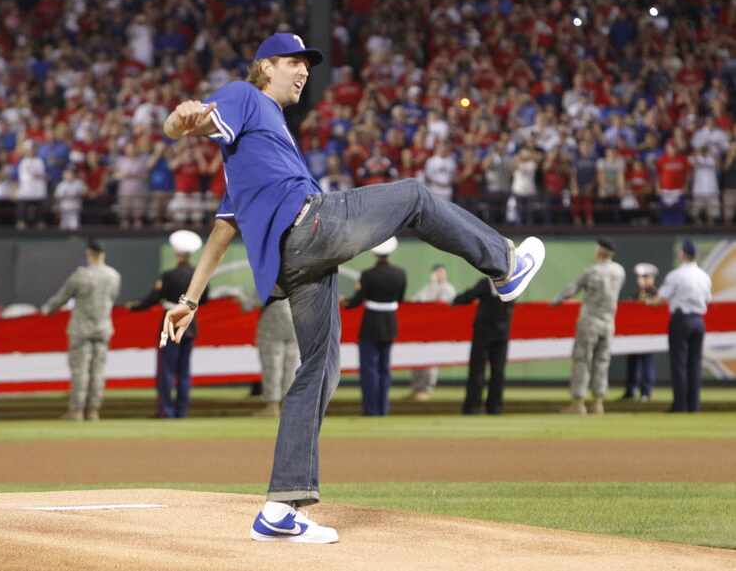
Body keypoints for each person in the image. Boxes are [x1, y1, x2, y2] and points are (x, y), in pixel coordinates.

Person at [160, 32, 545, 543]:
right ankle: (505, 264)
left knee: (319, 369)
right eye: (294, 62)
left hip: (291, 262)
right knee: (412, 195)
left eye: (307, 65)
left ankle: (280, 508)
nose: (304, 72)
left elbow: (222, 229)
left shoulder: (255, 149)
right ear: (265, 66)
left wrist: (190, 299)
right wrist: (178, 120)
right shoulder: (244, 96)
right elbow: (191, 123)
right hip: (310, 228)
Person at [129, 230, 207, 418]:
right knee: (184, 371)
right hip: (190, 324)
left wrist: (135, 307)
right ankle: (182, 411)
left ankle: (166, 410)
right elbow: (204, 299)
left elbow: (154, 298)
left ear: (177, 253)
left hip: (170, 324)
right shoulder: (198, 274)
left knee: (167, 370)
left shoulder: (169, 275)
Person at [41, 240, 121, 421]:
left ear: (89, 254)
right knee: (98, 371)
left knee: (80, 371)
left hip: (81, 329)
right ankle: (93, 411)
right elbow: (113, 298)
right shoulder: (114, 276)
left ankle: (76, 410)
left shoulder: (81, 275)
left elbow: (62, 297)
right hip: (103, 328)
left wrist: (46, 310)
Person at [553, 237, 625, 415]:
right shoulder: (619, 271)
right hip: (609, 322)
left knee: (582, 360)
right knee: (602, 361)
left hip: (590, 321)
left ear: (600, 252)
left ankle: (578, 403)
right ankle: (598, 403)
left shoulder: (592, 271)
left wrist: (556, 301)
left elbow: (571, 289)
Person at [344, 237, 407, 416]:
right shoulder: (400, 274)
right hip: (390, 323)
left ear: (374, 253)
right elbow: (400, 299)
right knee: (384, 368)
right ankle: (383, 408)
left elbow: (357, 301)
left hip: (371, 324)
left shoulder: (368, 275)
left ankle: (370, 409)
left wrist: (346, 303)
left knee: (369, 369)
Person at [650, 240, 712, 412]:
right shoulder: (704, 275)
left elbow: (661, 298)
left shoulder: (676, 275)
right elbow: (708, 299)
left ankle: (680, 405)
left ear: (683, 254)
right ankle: (694, 405)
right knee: (695, 363)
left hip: (681, 320)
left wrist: (648, 302)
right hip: (699, 320)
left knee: (679, 364)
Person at [453, 278, 514, 415]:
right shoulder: (511, 286)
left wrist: (455, 300)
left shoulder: (485, 284)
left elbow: (467, 297)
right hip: (501, 333)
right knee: (497, 372)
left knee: (478, 371)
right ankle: (494, 407)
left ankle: (473, 407)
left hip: (483, 333)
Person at [408, 264, 456, 401]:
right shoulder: (428, 287)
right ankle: (416, 388)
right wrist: (432, 285)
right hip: (422, 329)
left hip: (436, 330)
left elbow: (441, 304)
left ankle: (426, 389)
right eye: (437, 272)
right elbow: (416, 300)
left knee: (430, 360)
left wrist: (434, 286)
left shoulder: (448, 288)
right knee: (417, 359)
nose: (440, 275)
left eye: (442, 272)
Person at [254, 298, 299, 418]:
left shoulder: (266, 280)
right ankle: (289, 406)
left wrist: (239, 296)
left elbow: (252, 303)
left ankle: (272, 406)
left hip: (272, 323)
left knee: (272, 367)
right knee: (291, 367)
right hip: (294, 320)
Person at [621, 263, 659, 401]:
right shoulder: (637, 293)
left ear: (651, 278)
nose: (640, 280)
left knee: (647, 362)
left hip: (648, 334)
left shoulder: (655, 294)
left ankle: (646, 392)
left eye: (644, 277)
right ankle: (630, 391)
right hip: (634, 334)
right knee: (632, 362)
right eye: (639, 277)